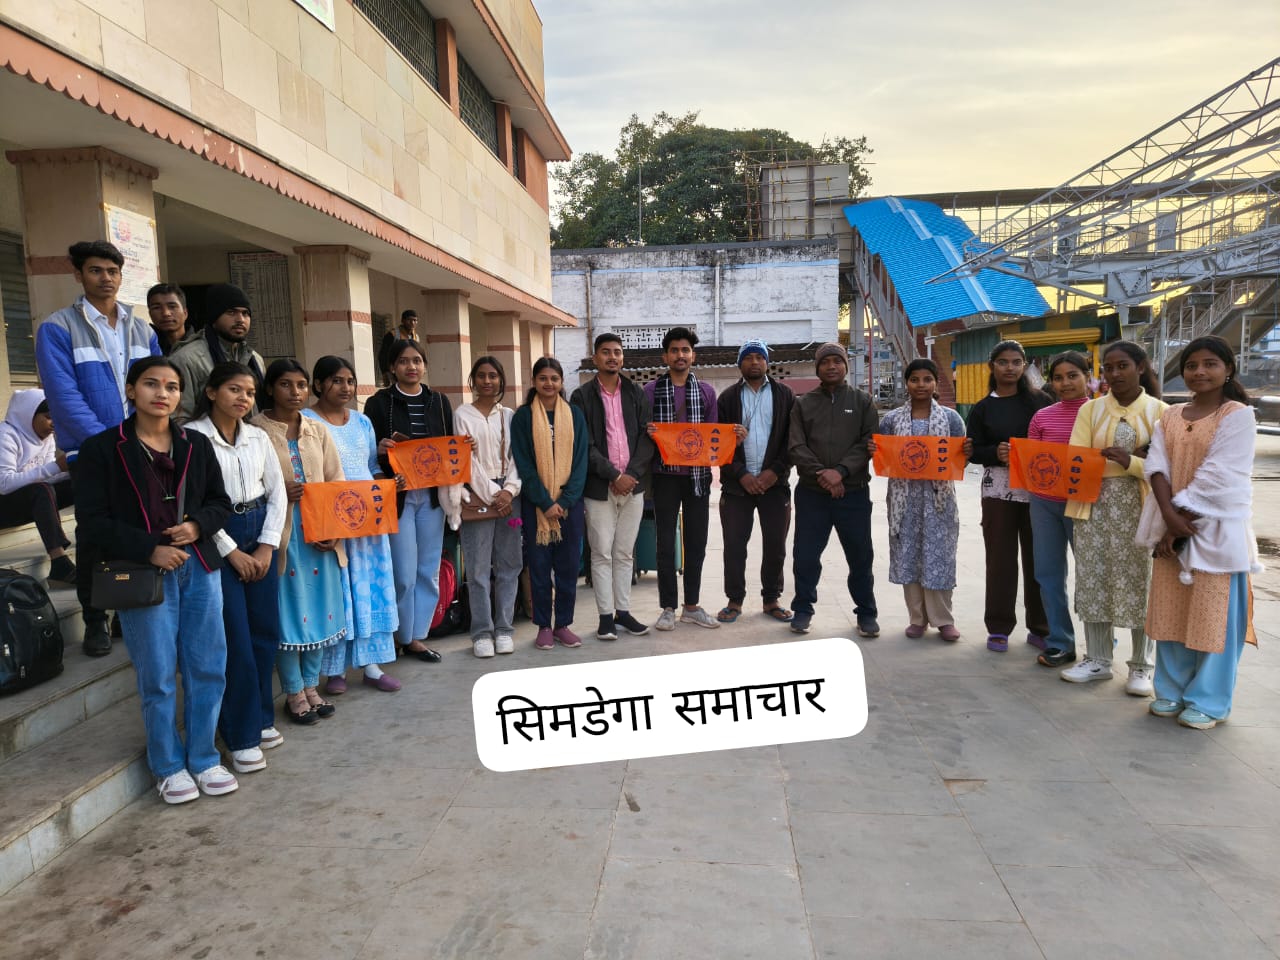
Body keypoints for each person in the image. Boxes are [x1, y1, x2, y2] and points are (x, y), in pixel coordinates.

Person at [75, 356, 237, 804]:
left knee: (208, 667)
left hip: (199, 568)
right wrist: (149, 548)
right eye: (151, 384)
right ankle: (167, 766)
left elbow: (220, 502)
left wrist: (198, 526)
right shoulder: (102, 449)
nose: (162, 393)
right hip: (143, 574)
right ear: (131, 390)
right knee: (159, 674)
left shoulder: (195, 444)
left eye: (171, 386)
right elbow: (91, 521)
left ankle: (204, 758)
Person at [35, 239, 160, 657]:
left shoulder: (142, 329)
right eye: (95, 270)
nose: (106, 278)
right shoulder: (57, 328)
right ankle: (94, 621)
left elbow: (159, 384)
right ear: (78, 275)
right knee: (94, 536)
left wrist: (147, 439)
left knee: (137, 530)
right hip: (91, 454)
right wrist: (113, 445)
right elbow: (64, 396)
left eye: (112, 271)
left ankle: (125, 613)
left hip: (142, 448)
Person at [1139, 336, 1261, 729]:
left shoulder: (1237, 415)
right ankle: (1171, 690)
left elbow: (1220, 475)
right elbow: (1156, 465)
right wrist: (1169, 518)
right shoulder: (1172, 415)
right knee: (1170, 610)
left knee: (1215, 617)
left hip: (1216, 530)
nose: (1200, 372)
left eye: (1210, 364)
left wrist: (1178, 523)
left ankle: (1209, 700)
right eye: (1192, 365)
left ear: (1229, 369)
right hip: (1171, 524)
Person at [187, 362, 287, 769]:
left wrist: (266, 547)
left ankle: (261, 717)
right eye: (234, 389)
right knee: (236, 641)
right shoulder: (193, 437)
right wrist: (231, 552)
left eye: (249, 392)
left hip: (259, 527)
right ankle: (240, 735)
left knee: (265, 633)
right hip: (217, 535)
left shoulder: (258, 436)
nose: (243, 398)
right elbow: (195, 503)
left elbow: (278, 494)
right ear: (211, 392)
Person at [1061, 341, 1167, 693]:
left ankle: (1142, 666)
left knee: (1141, 581)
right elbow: (1078, 458)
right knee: (1094, 578)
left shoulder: (1161, 412)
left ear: (1141, 367)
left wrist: (1129, 462)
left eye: (1123, 366)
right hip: (1093, 504)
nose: (1115, 373)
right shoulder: (1090, 410)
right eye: (1109, 367)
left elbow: (1165, 467)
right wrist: (1137, 460)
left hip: (1143, 506)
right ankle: (1097, 659)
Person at [253, 360, 347, 725]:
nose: (295, 392)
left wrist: (333, 530)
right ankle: (293, 691)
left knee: (320, 612)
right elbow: (247, 484)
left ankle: (311, 686)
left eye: (301, 385)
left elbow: (336, 482)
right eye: (285, 385)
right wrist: (279, 490)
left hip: (319, 534)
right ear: (270, 389)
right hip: (281, 536)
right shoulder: (255, 430)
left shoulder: (317, 430)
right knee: (290, 615)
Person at [303, 356, 402, 691]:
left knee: (370, 588)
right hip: (332, 519)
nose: (345, 387)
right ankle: (336, 671)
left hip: (368, 521)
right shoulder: (306, 421)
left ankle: (372, 665)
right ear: (318, 384)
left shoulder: (362, 421)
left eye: (349, 381)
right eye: (336, 380)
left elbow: (371, 465)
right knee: (339, 590)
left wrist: (387, 484)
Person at [364, 339, 454, 663]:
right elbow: (367, 451)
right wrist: (379, 447)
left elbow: (449, 446)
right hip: (398, 496)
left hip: (432, 497)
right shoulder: (379, 403)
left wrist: (462, 448)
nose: (411, 366)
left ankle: (416, 637)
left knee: (427, 570)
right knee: (403, 572)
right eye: (403, 361)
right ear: (392, 367)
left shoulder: (439, 402)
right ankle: (400, 634)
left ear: (424, 365)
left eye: (417, 360)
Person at [964, 340, 1053, 653]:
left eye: (1016, 362)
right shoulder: (982, 408)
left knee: (1038, 559)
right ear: (992, 366)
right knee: (1000, 560)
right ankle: (999, 627)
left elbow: (1054, 441)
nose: (1010, 368)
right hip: (998, 491)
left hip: (1038, 490)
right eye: (1003, 362)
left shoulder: (1041, 402)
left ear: (1024, 365)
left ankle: (1040, 627)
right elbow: (973, 451)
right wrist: (995, 452)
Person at [788, 342, 880, 637]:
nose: (831, 366)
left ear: (845, 366)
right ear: (817, 368)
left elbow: (868, 442)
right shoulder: (803, 404)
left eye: (837, 361)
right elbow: (796, 445)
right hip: (812, 494)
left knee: (860, 556)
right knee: (805, 555)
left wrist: (840, 472)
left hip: (853, 493)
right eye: (825, 362)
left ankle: (866, 613)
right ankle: (803, 609)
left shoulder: (863, 401)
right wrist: (823, 476)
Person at [870, 359, 966, 641]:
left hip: (939, 499)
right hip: (904, 499)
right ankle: (917, 618)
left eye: (927, 379)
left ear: (935, 383)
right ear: (907, 383)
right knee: (909, 554)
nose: (921, 385)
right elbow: (884, 457)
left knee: (940, 555)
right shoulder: (891, 420)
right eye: (914, 379)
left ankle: (943, 619)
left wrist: (966, 451)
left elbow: (959, 458)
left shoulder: (951, 419)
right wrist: (875, 449)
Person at [570, 333, 654, 641]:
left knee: (624, 553)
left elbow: (647, 437)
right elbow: (584, 444)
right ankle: (606, 617)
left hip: (633, 486)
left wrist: (630, 474)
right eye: (605, 352)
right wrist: (613, 475)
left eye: (617, 352)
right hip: (599, 487)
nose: (612, 357)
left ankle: (624, 613)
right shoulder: (581, 396)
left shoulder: (636, 392)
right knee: (601, 552)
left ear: (622, 358)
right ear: (595, 358)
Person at [643, 326, 720, 631]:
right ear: (665, 356)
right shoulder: (650, 392)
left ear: (693, 355)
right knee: (665, 542)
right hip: (664, 476)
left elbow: (713, 435)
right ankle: (667, 607)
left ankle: (691, 606)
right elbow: (641, 432)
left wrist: (733, 437)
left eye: (685, 350)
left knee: (696, 542)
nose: (680, 355)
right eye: (674, 350)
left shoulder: (706, 392)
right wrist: (649, 432)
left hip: (698, 477)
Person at [511, 356, 589, 650]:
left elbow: (580, 462)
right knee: (540, 568)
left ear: (561, 382)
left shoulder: (574, 415)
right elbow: (524, 464)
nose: (548, 383)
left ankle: (563, 625)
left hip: (570, 506)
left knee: (568, 568)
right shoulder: (523, 417)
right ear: (534, 381)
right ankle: (543, 625)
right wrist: (545, 502)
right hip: (537, 507)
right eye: (542, 378)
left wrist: (565, 501)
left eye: (554, 378)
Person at [716, 339, 795, 625]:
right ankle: (734, 601)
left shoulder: (785, 395)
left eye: (759, 357)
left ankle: (771, 599)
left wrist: (774, 472)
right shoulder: (727, 399)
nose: (754, 362)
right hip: (737, 487)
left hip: (775, 484)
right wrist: (742, 474)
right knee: (734, 546)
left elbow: (793, 439)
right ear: (740, 364)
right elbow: (719, 443)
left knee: (775, 545)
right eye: (748, 358)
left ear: (767, 363)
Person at [449, 356, 524, 657]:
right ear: (473, 380)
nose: (487, 381)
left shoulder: (510, 416)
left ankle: (504, 629)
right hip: (477, 494)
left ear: (501, 380)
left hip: (510, 494)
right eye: (481, 375)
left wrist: (510, 490)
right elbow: (465, 460)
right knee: (478, 568)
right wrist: (495, 494)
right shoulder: (462, 414)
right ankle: (481, 633)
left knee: (509, 565)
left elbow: (519, 456)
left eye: (493, 375)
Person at [1025, 352, 1092, 668]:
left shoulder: (1100, 414)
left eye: (1073, 375)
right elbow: (1033, 459)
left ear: (1088, 377)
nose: (1065, 383)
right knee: (1048, 573)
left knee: (1091, 573)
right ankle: (1060, 641)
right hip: (1043, 502)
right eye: (1058, 377)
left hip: (1086, 502)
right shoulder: (1042, 417)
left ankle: (1099, 644)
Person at [0, 390, 75, 586]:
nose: (53, 424)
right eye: (48, 417)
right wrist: (56, 466)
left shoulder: (46, 437)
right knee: (40, 490)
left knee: (78, 481)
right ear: (28, 413)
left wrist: (70, 469)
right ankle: (59, 563)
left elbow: (49, 475)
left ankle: (96, 543)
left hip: (27, 500)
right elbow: (4, 484)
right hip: (4, 505)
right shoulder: (5, 435)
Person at [171, 283, 265, 422]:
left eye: (245, 313)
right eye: (231, 312)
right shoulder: (187, 358)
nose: (240, 319)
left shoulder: (255, 359)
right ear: (214, 317)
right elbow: (179, 417)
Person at [147, 283, 198, 355]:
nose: (166, 313)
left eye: (172, 306)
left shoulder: (202, 345)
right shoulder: (145, 347)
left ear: (185, 313)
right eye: (157, 308)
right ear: (150, 314)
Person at [379, 310, 419, 385]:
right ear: (403, 321)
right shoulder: (393, 335)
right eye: (409, 320)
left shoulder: (416, 337)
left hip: (411, 370)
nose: (412, 323)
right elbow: (383, 355)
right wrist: (385, 372)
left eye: (415, 320)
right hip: (395, 371)